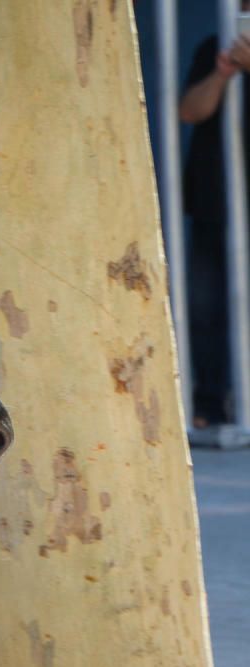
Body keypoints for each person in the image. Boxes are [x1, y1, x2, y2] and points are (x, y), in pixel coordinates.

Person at [177, 4, 250, 427]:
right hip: (215, 200)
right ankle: (209, 403)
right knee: (206, 307)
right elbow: (189, 111)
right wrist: (224, 71)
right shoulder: (214, 47)